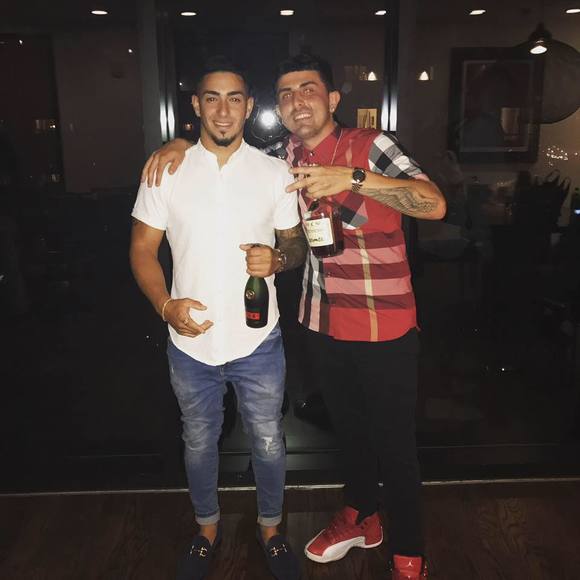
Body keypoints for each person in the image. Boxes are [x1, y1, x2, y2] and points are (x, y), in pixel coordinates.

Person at [142, 53, 446, 580]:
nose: (296, 100)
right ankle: (362, 517)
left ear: (333, 99)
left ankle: (410, 551)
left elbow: (433, 204)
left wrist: (353, 178)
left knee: (394, 442)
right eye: (285, 93)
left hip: (384, 323)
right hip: (322, 321)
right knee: (349, 431)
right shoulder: (283, 158)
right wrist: (179, 145)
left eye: (308, 89)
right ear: (276, 109)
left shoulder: (370, 146)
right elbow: (223, 151)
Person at [130, 56, 306, 580]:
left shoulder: (274, 173)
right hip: (190, 344)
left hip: (258, 339)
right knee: (198, 440)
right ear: (196, 105)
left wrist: (277, 259)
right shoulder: (167, 169)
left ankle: (271, 528)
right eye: (212, 98)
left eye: (234, 99)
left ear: (249, 107)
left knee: (268, 440)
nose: (223, 110)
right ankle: (207, 528)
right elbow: (142, 250)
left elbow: (296, 246)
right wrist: (166, 306)